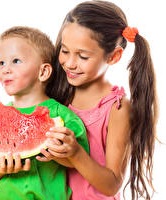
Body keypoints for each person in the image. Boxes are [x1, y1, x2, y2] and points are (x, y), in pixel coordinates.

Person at [0, 26, 89, 200]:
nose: (5, 69)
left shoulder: (62, 118)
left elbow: (83, 169)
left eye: (16, 61)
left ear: (43, 72)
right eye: (1, 63)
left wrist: (63, 152)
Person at [44, 1, 158, 199]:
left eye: (83, 56)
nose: (69, 63)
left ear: (113, 57)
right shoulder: (58, 92)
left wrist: (76, 154)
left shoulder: (117, 108)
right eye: (64, 51)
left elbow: (112, 184)